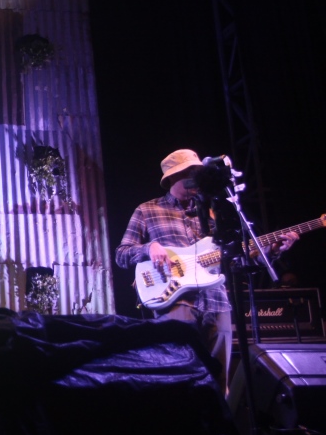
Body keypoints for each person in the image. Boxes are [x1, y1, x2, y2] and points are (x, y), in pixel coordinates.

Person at [116, 149, 297, 393]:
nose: (195, 181)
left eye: (197, 174)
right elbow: (122, 254)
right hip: (176, 301)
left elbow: (234, 255)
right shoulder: (147, 210)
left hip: (217, 302)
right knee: (179, 376)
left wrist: (272, 250)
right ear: (171, 178)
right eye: (189, 174)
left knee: (219, 380)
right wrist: (150, 248)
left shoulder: (212, 213)